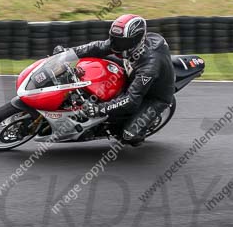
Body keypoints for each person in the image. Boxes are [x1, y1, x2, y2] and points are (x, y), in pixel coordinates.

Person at [53, 14, 175, 146]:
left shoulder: (150, 65)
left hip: (154, 96)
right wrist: (67, 53)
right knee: (96, 60)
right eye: (114, 38)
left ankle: (136, 132)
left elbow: (131, 100)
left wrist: (99, 109)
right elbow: (97, 47)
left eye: (121, 41)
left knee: (128, 136)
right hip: (132, 68)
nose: (115, 44)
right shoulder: (124, 44)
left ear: (135, 40)